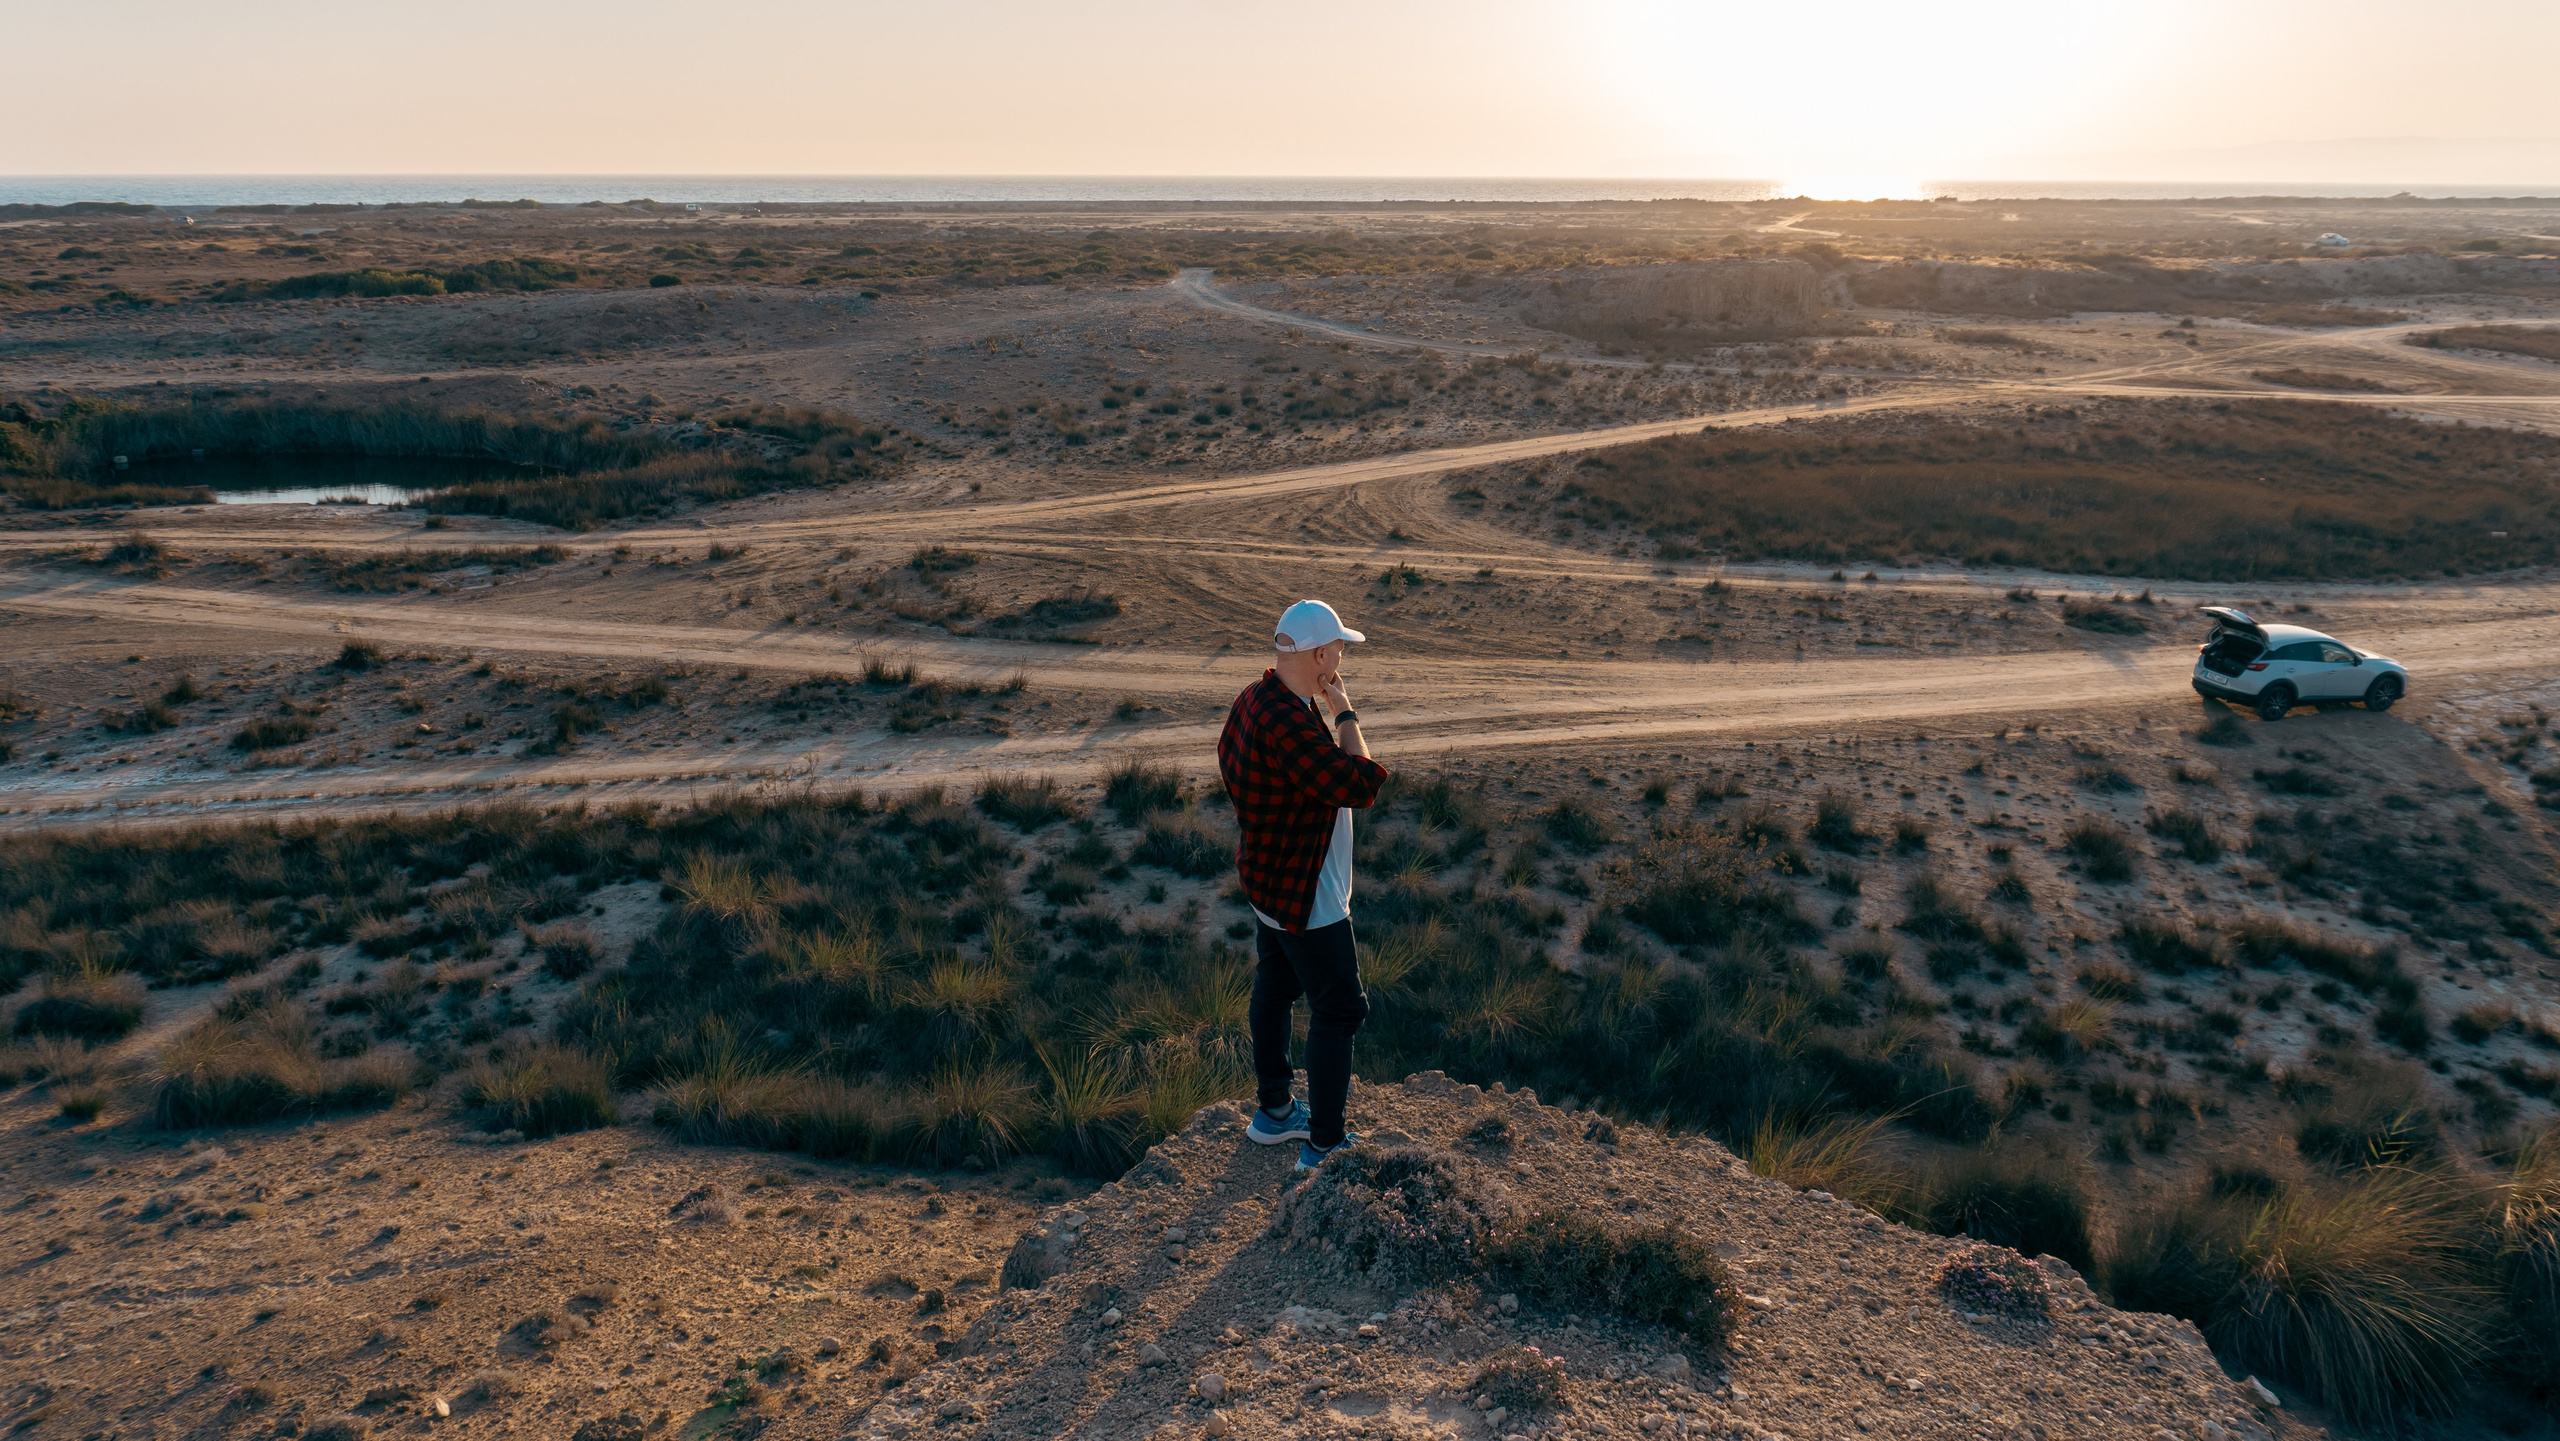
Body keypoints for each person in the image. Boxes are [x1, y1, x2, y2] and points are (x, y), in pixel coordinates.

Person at [1218, 598, 1389, 1172]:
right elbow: (1361, 784)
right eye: (1339, 648)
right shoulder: (1294, 721)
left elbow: (1231, 760)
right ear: (1320, 655)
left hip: (1266, 881)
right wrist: (1344, 710)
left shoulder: (1257, 697)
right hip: (1307, 894)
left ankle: (1273, 1112)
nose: (1342, 656)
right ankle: (1323, 1145)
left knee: (1275, 985)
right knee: (1340, 1010)